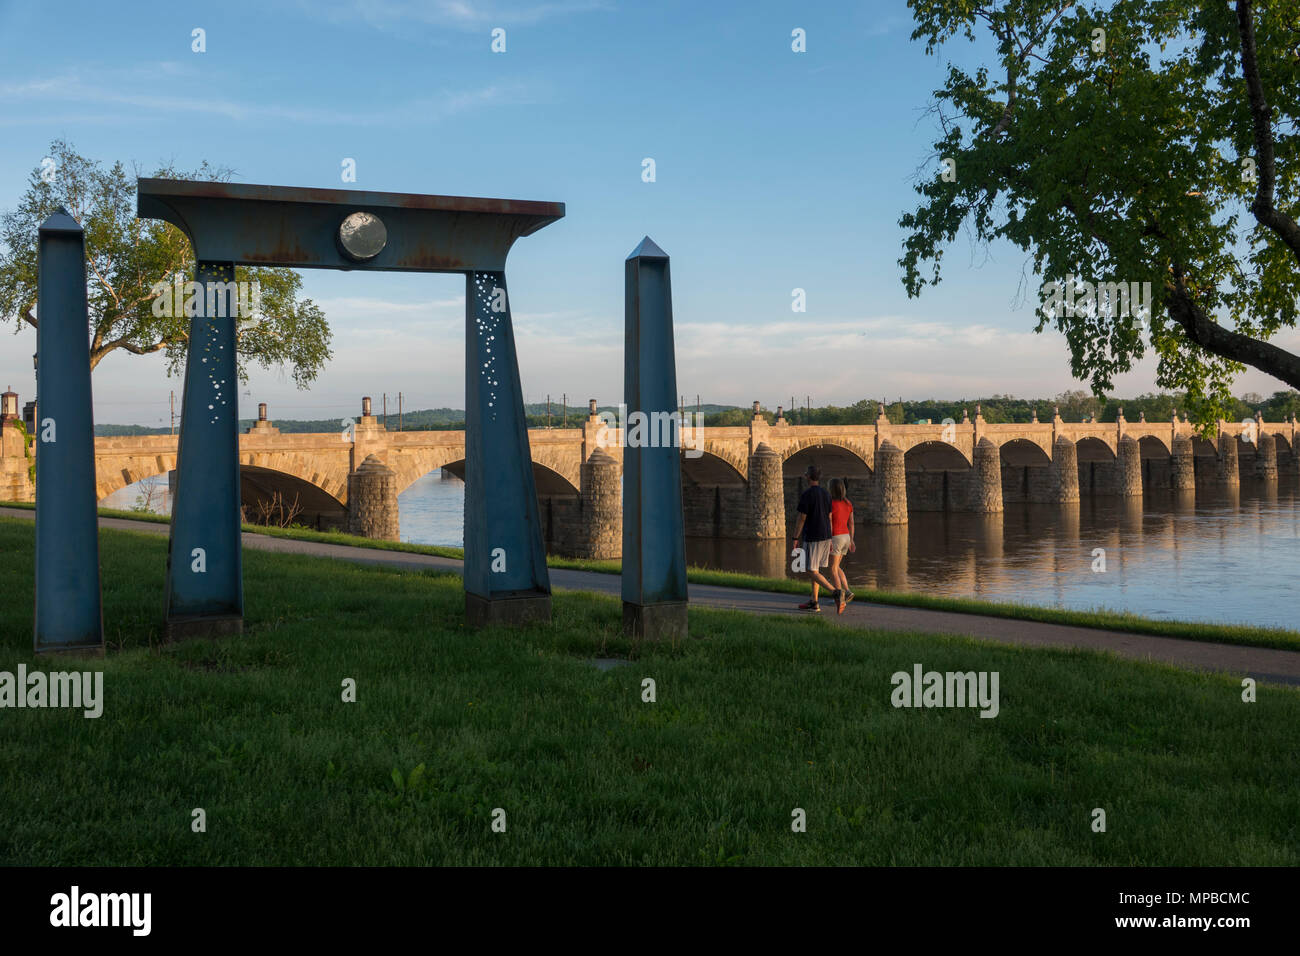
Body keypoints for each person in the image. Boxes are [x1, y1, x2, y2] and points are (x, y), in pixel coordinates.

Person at [791, 464, 838, 612]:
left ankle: (836, 592)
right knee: (815, 569)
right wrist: (830, 538)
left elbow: (802, 519)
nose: (805, 476)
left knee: (810, 570)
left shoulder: (807, 495)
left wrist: (795, 537)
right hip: (825, 535)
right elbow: (830, 517)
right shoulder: (826, 494)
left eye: (806, 474)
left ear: (809, 476)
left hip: (813, 535)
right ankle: (814, 602)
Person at [827, 477, 856, 614]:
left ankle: (840, 597)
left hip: (836, 537)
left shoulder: (831, 503)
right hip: (845, 537)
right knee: (837, 567)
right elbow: (851, 523)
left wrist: (829, 539)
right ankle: (847, 591)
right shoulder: (848, 503)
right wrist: (852, 540)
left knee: (832, 569)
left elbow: (830, 522)